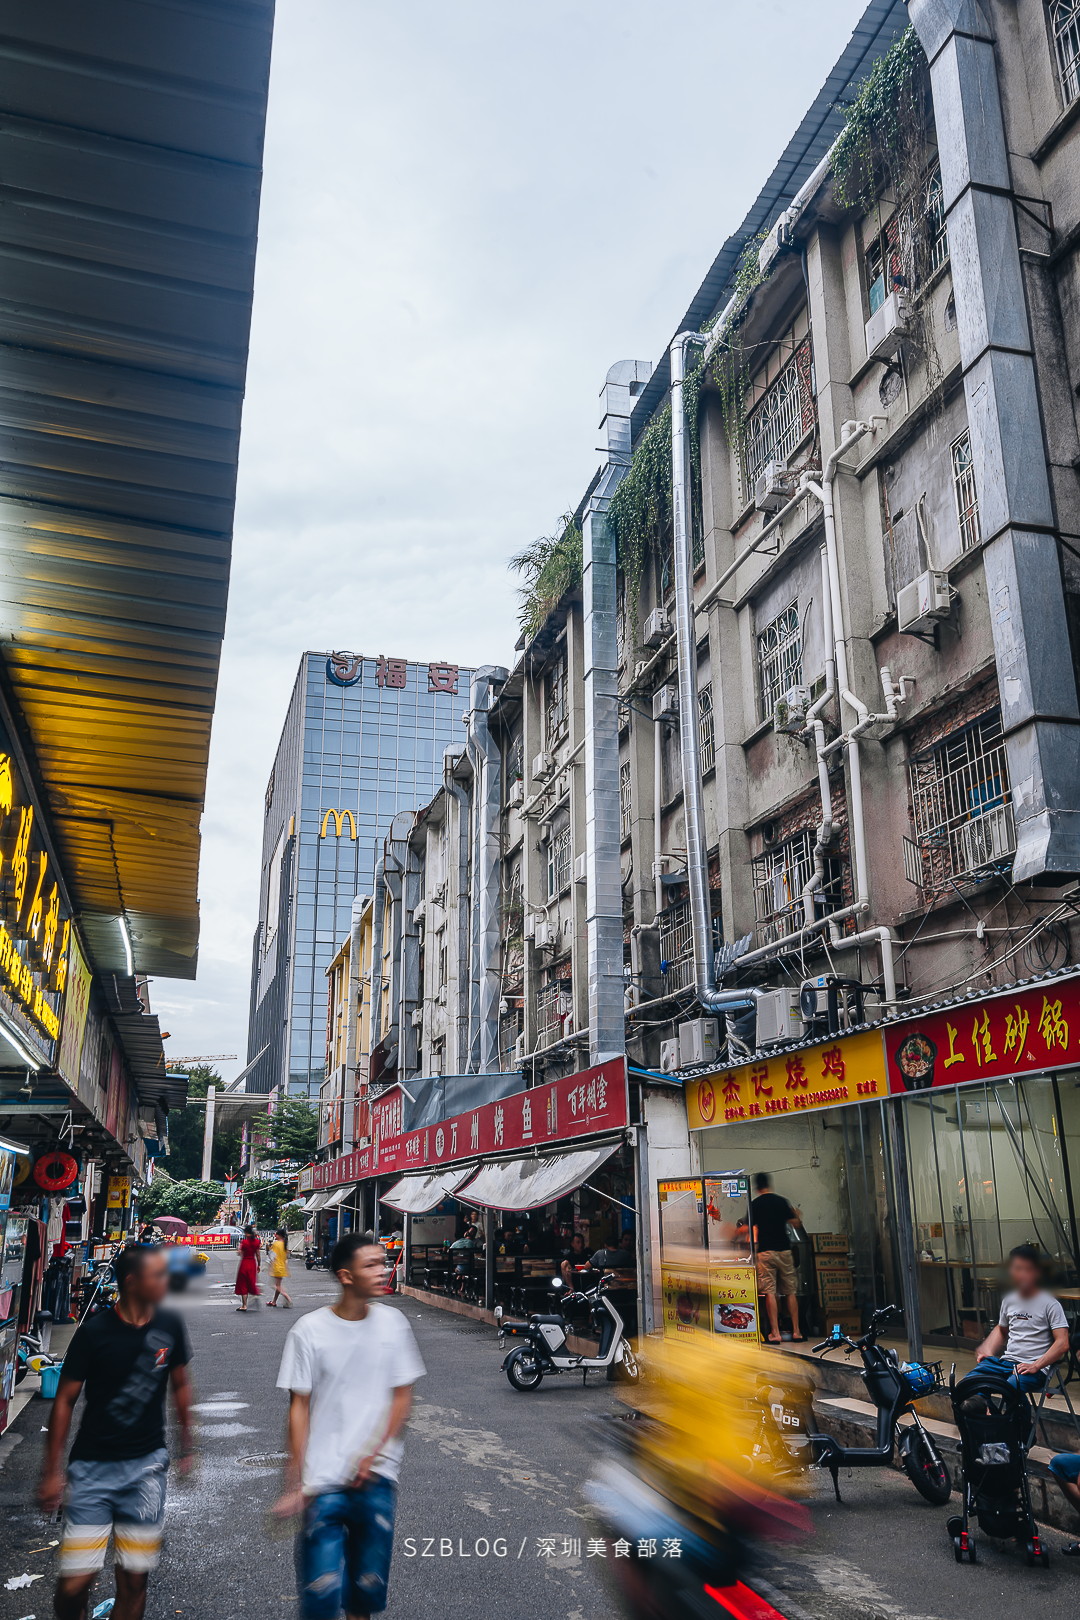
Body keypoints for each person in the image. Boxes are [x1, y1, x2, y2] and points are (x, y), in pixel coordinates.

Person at [274, 1232, 426, 1620]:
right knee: (320, 1601)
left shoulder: (394, 1324)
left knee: (363, 1597)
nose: (382, 1270)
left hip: (376, 1481)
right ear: (346, 1276)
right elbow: (298, 1409)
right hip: (321, 1483)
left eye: (383, 1262)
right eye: (370, 1265)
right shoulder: (308, 1330)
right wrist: (293, 1484)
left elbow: (402, 1397)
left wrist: (372, 1453)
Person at [38, 1244, 193, 1620]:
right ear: (132, 1282)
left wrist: (188, 1445)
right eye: (158, 1275)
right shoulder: (94, 1333)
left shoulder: (169, 1325)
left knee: (134, 1580)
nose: (166, 1281)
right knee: (74, 1586)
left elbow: (181, 1385)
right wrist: (52, 1471)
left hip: (146, 1470)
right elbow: (64, 1400)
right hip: (92, 1470)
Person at [976, 1243, 1068, 1393]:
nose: (1023, 1274)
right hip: (1007, 1363)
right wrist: (988, 1348)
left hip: (1035, 1368)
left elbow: (1063, 1343)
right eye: (1018, 1268)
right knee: (971, 1384)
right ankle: (986, 1409)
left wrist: (1036, 1365)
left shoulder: (1050, 1304)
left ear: (1037, 1272)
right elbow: (1002, 1329)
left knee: (1010, 1388)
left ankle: (1014, 1410)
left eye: (1028, 1269)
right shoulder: (1008, 1301)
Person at [737, 1172, 803, 1344]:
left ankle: (775, 1333)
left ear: (757, 1188)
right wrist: (797, 1214)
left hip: (766, 1252)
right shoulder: (782, 1201)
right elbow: (796, 1224)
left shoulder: (756, 1204)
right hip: (784, 1251)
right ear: (769, 1184)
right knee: (790, 1292)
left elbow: (746, 1229)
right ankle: (797, 1332)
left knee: (770, 1292)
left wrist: (733, 1230)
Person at [235, 1222, 261, 1311]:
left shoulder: (244, 1242)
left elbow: (240, 1253)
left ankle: (244, 1305)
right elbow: (258, 1255)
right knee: (251, 1281)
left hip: (244, 1263)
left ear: (246, 1232)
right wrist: (259, 1265)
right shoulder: (256, 1242)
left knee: (243, 1284)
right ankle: (254, 1295)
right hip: (252, 1263)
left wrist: (238, 1249)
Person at [268, 1227, 293, 1308]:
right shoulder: (284, 1244)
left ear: (279, 1235)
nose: (275, 1236)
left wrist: (269, 1265)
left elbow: (272, 1256)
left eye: (276, 1234)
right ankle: (274, 1301)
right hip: (282, 1267)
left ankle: (287, 1297)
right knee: (278, 1285)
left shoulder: (276, 1244)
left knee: (275, 1285)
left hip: (276, 1267)